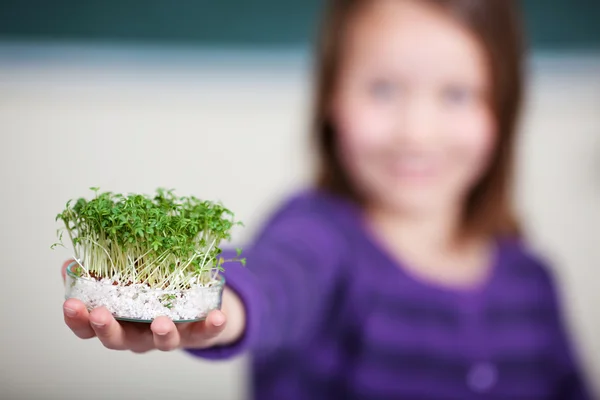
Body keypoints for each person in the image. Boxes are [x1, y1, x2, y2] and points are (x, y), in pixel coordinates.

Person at [61, 0, 591, 398]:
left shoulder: (533, 285)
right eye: (383, 90)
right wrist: (212, 306)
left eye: (456, 95)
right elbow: (271, 281)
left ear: (504, 109)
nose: (416, 131)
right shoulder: (318, 236)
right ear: (332, 100)